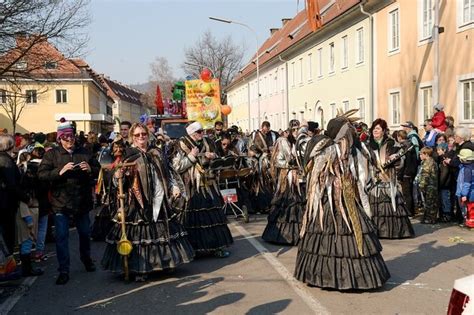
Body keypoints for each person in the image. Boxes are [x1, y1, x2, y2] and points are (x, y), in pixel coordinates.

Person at [294, 110, 390, 290]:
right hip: (328, 197)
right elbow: (312, 168)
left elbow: (362, 175)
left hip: (347, 197)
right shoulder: (327, 149)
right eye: (346, 133)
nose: (349, 136)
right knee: (327, 232)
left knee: (349, 232)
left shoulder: (354, 151)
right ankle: (326, 275)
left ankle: (351, 277)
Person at [102, 123, 194, 281]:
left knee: (163, 230)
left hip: (159, 198)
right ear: (132, 137)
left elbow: (168, 171)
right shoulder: (128, 155)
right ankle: (140, 269)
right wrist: (119, 177)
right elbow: (117, 183)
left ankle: (166, 263)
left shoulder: (156, 152)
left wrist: (173, 187)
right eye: (137, 135)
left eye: (143, 134)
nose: (141, 137)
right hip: (137, 202)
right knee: (139, 235)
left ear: (147, 134)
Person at [38, 119, 100, 285]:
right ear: (60, 139)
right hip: (61, 203)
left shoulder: (85, 151)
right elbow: (42, 175)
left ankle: (86, 259)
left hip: (82, 202)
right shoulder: (52, 154)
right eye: (65, 137)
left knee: (85, 234)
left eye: (71, 136)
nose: (69, 140)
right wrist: (60, 171)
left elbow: (98, 170)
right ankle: (63, 270)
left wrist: (91, 169)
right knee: (62, 237)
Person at [171, 121, 233, 258]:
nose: (202, 134)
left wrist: (213, 157)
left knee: (214, 216)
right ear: (191, 133)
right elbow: (177, 167)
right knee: (193, 218)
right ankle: (193, 250)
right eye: (198, 132)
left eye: (202, 131)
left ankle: (217, 247)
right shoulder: (180, 144)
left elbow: (217, 158)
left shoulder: (208, 142)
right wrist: (192, 156)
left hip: (209, 184)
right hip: (192, 187)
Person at [367, 119, 414, 239]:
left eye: (378, 129)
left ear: (383, 131)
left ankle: (393, 231)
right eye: (374, 129)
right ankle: (376, 231)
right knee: (375, 206)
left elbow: (401, 162)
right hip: (374, 180)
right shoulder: (367, 145)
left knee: (391, 206)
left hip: (388, 178)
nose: (375, 131)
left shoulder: (391, 143)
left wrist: (396, 159)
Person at [262, 123, 305, 245]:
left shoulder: (299, 143)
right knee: (286, 203)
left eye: (298, 130)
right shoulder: (283, 142)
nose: (296, 132)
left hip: (298, 179)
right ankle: (282, 235)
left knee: (300, 202)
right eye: (294, 130)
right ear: (290, 131)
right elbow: (277, 161)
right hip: (287, 179)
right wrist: (289, 165)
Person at [0, 134, 30, 255]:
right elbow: (12, 185)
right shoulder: (6, 161)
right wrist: (25, 197)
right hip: (6, 203)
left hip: (5, 202)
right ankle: (7, 265)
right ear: (10, 146)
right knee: (7, 234)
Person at [397, 130, 418, 216]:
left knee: (407, 193)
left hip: (406, 172)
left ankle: (409, 211)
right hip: (411, 171)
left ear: (399, 137)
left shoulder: (404, 147)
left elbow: (404, 162)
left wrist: (401, 174)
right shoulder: (410, 145)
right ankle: (411, 210)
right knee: (409, 192)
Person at [417, 147, 439, 224]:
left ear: (426, 154)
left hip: (430, 186)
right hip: (431, 185)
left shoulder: (428, 163)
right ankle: (429, 218)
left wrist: (421, 186)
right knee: (430, 202)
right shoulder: (429, 161)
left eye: (421, 154)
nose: (420, 156)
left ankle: (430, 219)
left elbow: (425, 175)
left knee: (430, 203)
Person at [455, 149, 474, 227]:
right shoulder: (469, 167)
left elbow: (467, 183)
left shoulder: (467, 170)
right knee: (470, 208)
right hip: (470, 192)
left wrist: (464, 194)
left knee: (466, 209)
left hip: (464, 193)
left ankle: (469, 222)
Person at [437, 143, 455, 222]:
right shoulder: (443, 158)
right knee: (445, 200)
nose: (437, 152)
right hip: (446, 183)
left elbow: (444, 173)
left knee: (445, 200)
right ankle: (445, 215)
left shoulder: (444, 159)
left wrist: (440, 184)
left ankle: (447, 216)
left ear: (443, 150)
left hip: (445, 184)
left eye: (439, 150)